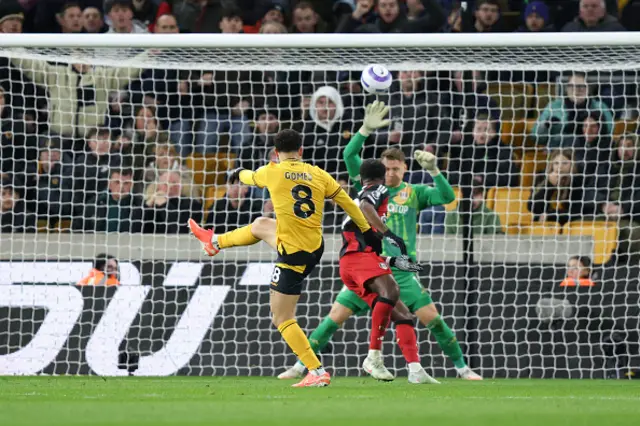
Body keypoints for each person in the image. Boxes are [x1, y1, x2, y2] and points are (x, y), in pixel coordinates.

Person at [279, 101, 482, 381]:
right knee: (334, 316)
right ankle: (302, 366)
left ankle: (462, 368)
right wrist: (363, 130)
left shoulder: (414, 192)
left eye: (396, 168)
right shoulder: (369, 187)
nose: (391, 173)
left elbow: (448, 198)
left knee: (432, 318)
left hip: (402, 267)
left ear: (405, 169)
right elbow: (349, 154)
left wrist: (435, 170)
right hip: (369, 265)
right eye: (387, 168)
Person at [187, 128, 383, 388]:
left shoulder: (272, 171)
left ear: (276, 153)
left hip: (292, 255)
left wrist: (237, 172)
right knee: (260, 224)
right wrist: (368, 229)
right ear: (301, 151)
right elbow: (348, 202)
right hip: (314, 247)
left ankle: (316, 370)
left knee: (282, 318)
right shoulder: (319, 174)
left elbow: (248, 177)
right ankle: (213, 242)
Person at [337, 158, 438, 383]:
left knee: (403, 315)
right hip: (357, 258)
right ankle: (373, 356)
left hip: (356, 262)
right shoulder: (378, 189)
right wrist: (388, 234)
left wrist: (397, 262)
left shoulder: (361, 193)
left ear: (361, 177)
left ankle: (415, 370)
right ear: (381, 176)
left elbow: (369, 247)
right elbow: (365, 207)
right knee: (391, 291)